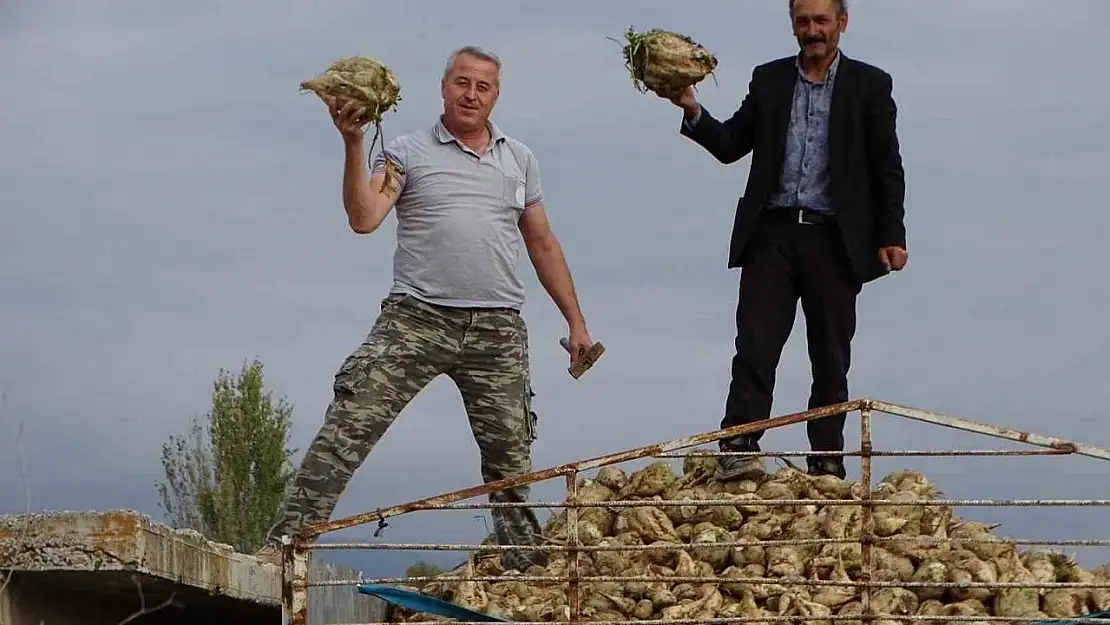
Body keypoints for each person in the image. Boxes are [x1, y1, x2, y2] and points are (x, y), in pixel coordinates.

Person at [256, 46, 594, 572]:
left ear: (495, 96)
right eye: (462, 83)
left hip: (497, 329)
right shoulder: (407, 152)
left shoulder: (518, 159)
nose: (471, 94)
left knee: (510, 461)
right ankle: (281, 552)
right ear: (443, 88)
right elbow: (365, 217)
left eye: (483, 87)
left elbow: (543, 242)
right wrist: (352, 142)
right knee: (349, 425)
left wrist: (575, 321)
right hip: (416, 320)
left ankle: (524, 569)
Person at [656, 0, 907, 481]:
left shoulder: (870, 85)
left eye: (821, 21)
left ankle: (827, 459)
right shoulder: (769, 79)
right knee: (755, 342)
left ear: (842, 24)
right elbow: (731, 144)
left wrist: (891, 234)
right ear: (793, 25)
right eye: (803, 22)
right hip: (771, 232)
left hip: (835, 237)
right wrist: (691, 107)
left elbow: (886, 165)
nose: (812, 31)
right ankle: (739, 444)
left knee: (831, 353)